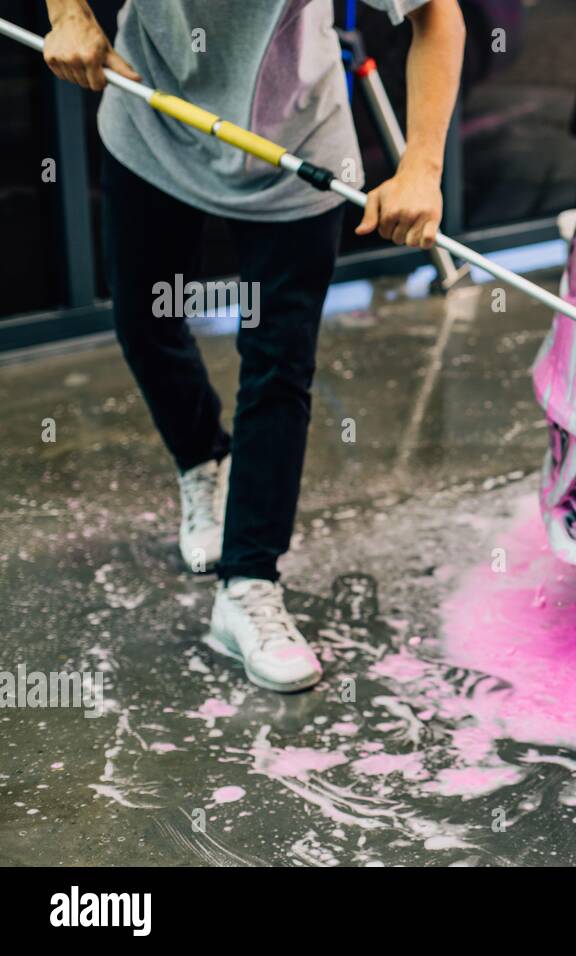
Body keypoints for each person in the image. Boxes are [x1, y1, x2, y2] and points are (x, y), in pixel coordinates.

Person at [42, 0, 465, 692]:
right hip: (152, 121)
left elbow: (437, 17)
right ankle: (203, 462)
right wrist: (67, 13)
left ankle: (248, 586)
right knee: (145, 324)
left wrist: (420, 167)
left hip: (295, 150)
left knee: (278, 364)